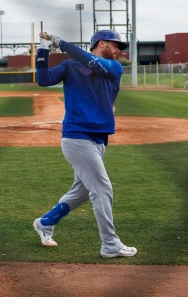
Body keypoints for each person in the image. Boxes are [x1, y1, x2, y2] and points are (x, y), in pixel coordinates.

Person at [32, 30, 137, 259]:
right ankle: (110, 244)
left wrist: (61, 43)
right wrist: (43, 49)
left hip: (98, 139)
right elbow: (43, 80)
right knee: (102, 189)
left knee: (81, 192)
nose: (119, 50)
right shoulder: (70, 66)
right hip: (77, 137)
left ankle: (44, 223)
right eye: (116, 45)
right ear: (102, 43)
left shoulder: (113, 67)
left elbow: (89, 60)